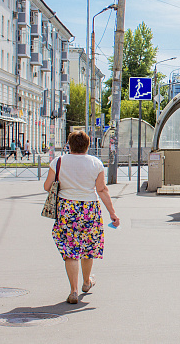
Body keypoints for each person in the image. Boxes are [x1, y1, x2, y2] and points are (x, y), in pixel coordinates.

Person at [44, 130, 120, 304]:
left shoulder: (58, 162)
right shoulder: (95, 163)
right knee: (88, 247)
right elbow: (101, 190)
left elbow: (47, 186)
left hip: (66, 208)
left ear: (69, 145)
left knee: (70, 251)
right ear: (88, 144)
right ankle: (86, 282)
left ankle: (73, 290)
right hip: (89, 209)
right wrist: (112, 213)